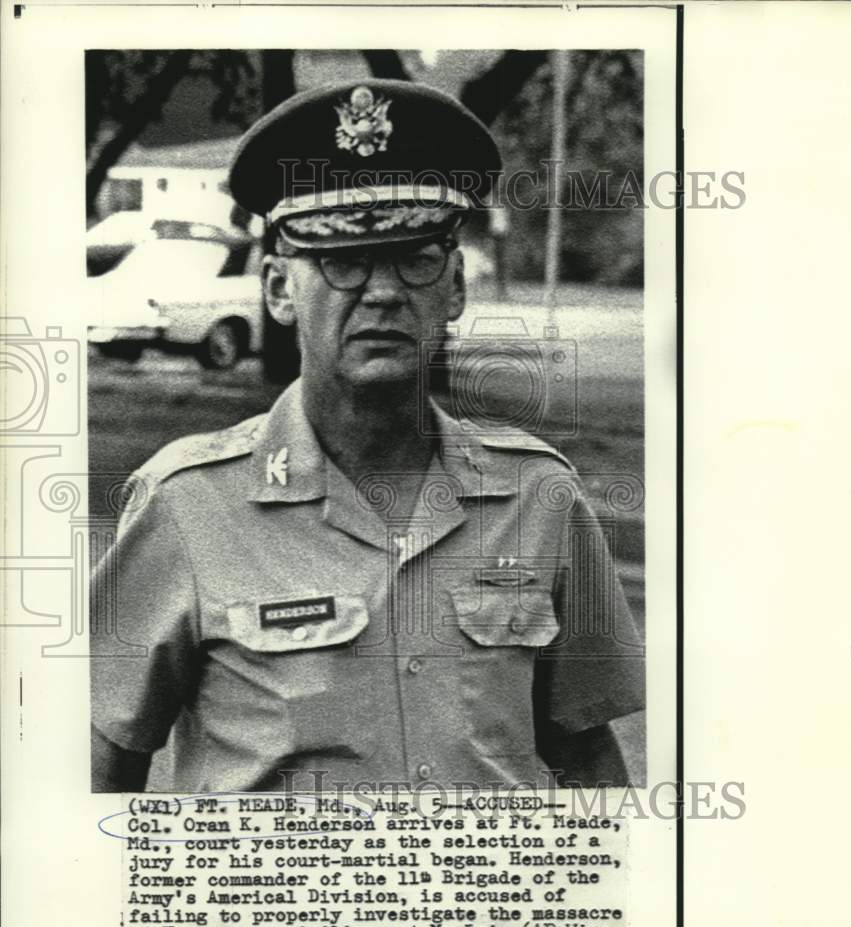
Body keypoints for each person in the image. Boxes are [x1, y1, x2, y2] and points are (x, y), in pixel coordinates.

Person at [90, 79, 644, 793]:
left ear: (455, 289)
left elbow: (589, 756)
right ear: (279, 289)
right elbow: (99, 767)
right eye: (342, 261)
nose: (382, 292)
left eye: (415, 258)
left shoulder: (539, 498)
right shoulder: (188, 505)